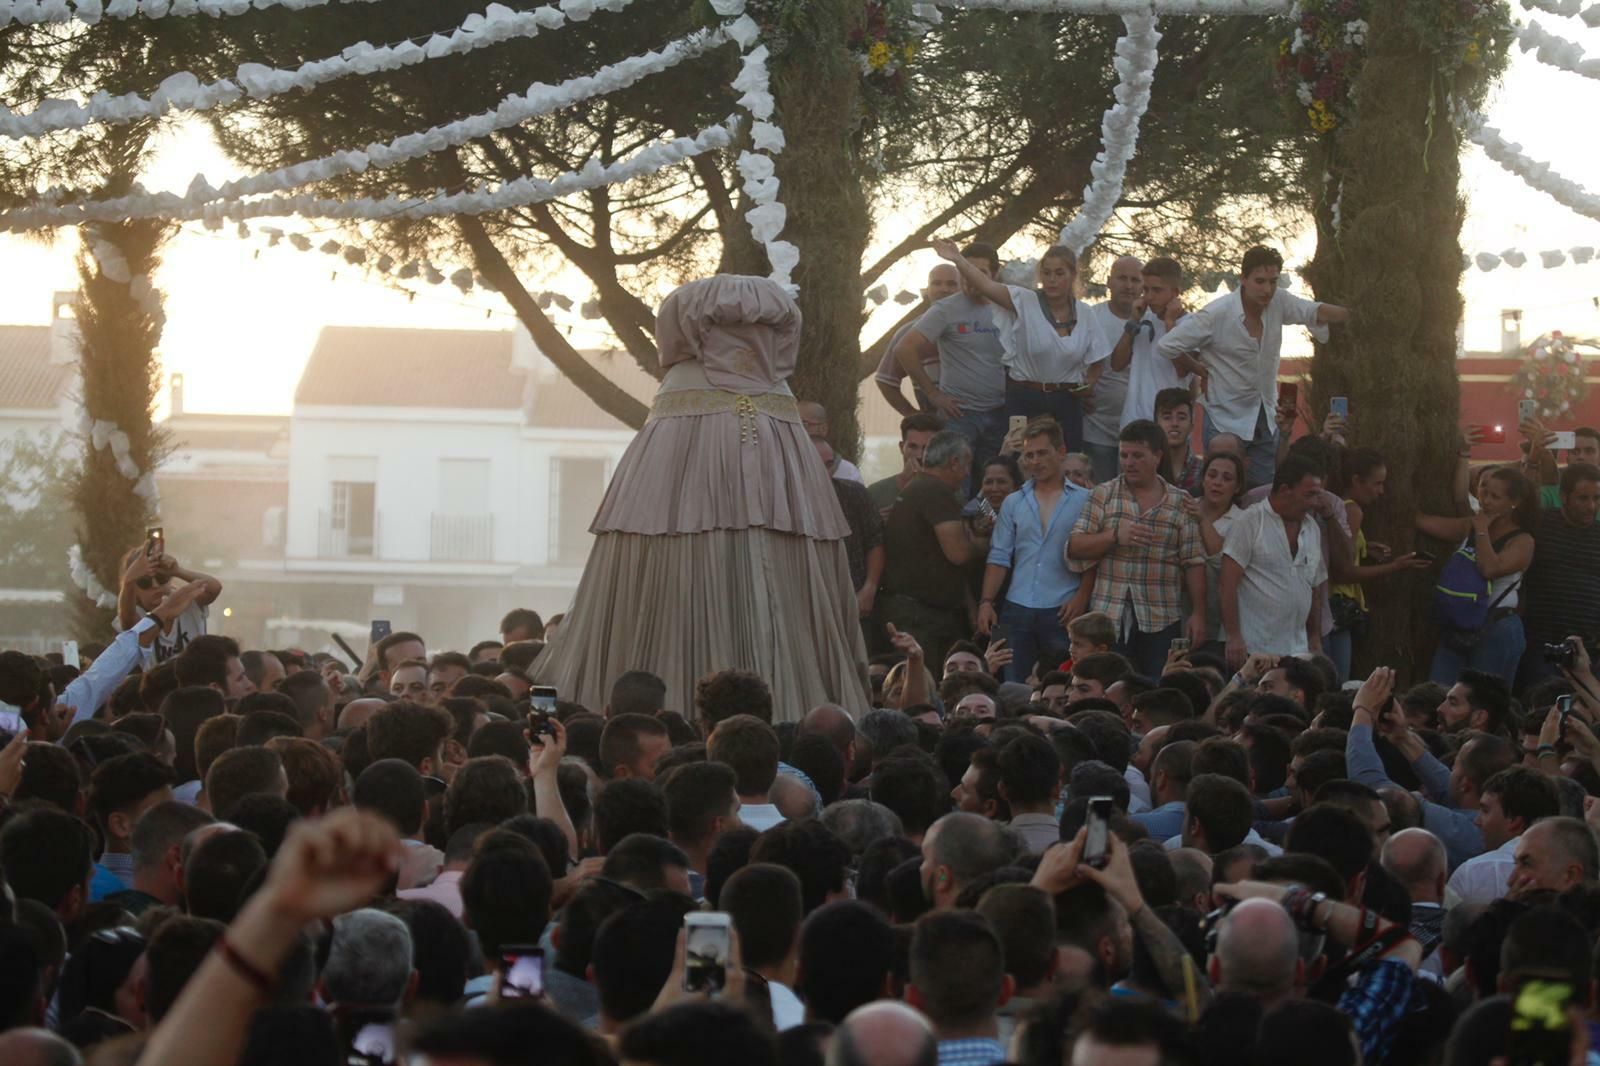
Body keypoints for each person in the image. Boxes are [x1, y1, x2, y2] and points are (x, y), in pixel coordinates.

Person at [532, 276, 871, 723]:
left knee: (668, 563)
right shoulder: (784, 430)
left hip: (694, 432)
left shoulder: (676, 424)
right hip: (769, 429)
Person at [1156, 245, 1352, 487]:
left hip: (1264, 417)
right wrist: (1200, 369)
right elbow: (1167, 346)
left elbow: (1313, 310)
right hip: (1224, 418)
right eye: (1260, 281)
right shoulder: (1217, 313)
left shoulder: (1279, 301)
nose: (1267, 289)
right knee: (1221, 493)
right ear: (1243, 279)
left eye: (1272, 281)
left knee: (1263, 494)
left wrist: (1358, 313)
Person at [1066, 419, 1207, 678]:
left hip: (1161, 615)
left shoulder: (1179, 502)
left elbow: (1193, 561)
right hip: (1108, 617)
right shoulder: (1102, 494)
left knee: (1158, 687)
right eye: (1124, 455)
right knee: (1105, 687)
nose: (1129, 462)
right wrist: (1114, 536)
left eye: (1137, 456)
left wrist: (1198, 613)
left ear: (1157, 456)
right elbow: (1075, 546)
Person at [938, 242, 1106, 457]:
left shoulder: (1085, 313)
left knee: (1069, 459)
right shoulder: (1024, 301)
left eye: (1059, 273)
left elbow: (1099, 358)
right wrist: (957, 259)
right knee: (1019, 459)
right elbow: (985, 285)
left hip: (1066, 398)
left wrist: (1089, 385)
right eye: (1046, 273)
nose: (1052, 279)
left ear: (1072, 275)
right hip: (1026, 396)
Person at [977, 418, 1091, 683]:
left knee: (1063, 684)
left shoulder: (1085, 500)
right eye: (1029, 455)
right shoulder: (1013, 502)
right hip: (1016, 606)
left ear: (1060, 452)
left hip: (1063, 606)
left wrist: (1082, 596)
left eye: (1042, 453)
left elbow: (1094, 555)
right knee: (1011, 683)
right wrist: (986, 602)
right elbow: (999, 556)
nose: (1035, 461)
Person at [895, 242, 1008, 492]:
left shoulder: (1007, 305)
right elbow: (904, 349)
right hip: (960, 416)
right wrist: (933, 394)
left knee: (994, 486)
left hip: (1000, 413)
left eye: (980, 272)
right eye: (966, 270)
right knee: (956, 485)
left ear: (994, 275)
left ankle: (984, 528)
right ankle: (957, 530)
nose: (971, 278)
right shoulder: (945, 309)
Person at [1414, 464, 1538, 685]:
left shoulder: (1522, 540)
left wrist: (1481, 530)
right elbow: (1423, 521)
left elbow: (1489, 568)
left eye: (1495, 497)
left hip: (1496, 626)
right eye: (1485, 493)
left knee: (1483, 699)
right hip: (1460, 624)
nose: (1486, 501)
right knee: (1439, 690)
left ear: (1514, 503)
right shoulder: (1468, 526)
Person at [877, 430, 986, 669]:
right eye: (966, 464)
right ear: (954, 462)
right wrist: (983, 544)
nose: (967, 473)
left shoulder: (918, 486)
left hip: (914, 610)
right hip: (921, 616)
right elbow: (958, 554)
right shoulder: (936, 491)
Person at [1220, 454, 1328, 667]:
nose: (1315, 503)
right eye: (1309, 495)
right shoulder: (1249, 522)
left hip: (1297, 650)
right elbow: (1226, 584)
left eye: (1317, 495)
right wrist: (1233, 636)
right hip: (1253, 648)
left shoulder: (1312, 528)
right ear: (1285, 490)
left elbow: (1314, 586)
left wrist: (1314, 638)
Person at [1520, 461, 1600, 686]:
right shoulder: (1540, 523)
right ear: (1563, 496)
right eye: (1583, 498)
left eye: (1597, 498)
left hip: (1588, 651)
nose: (1591, 506)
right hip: (1540, 645)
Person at [1112, 257, 1194, 428]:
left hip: (1168, 425)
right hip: (1133, 421)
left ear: (1175, 292)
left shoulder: (1191, 325)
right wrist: (1133, 321)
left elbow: (1182, 371)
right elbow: (1117, 364)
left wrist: (1170, 324)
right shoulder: (1143, 318)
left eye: (1157, 290)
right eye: (1146, 290)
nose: (1149, 297)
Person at [116, 542, 224, 665]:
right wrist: (128, 581)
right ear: (134, 589)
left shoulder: (185, 599)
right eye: (144, 581)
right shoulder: (137, 614)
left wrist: (177, 571)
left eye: (161, 577)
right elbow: (127, 619)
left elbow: (214, 588)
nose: (155, 585)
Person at [875, 263, 960, 416]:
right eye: (937, 283)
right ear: (927, 289)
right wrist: (912, 415)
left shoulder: (980, 326)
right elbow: (885, 380)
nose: (944, 289)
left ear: (962, 289)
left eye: (951, 284)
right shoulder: (908, 332)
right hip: (935, 427)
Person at [1191, 451, 1248, 649]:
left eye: (1227, 478)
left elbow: (1221, 560)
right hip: (1181, 611)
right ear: (1203, 479)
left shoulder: (1244, 521)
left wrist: (1202, 520)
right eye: (1212, 475)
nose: (1217, 482)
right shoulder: (1185, 508)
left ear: (1237, 487)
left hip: (1222, 621)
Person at [868, 413, 945, 519]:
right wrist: (876, 523)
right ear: (901, 447)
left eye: (927, 448)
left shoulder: (949, 492)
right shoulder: (875, 492)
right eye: (913, 446)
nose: (920, 455)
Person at [1151, 388, 1203, 496]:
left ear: (1191, 425)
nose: (1174, 423)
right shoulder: (1146, 467)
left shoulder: (1204, 471)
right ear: (1156, 424)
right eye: (1167, 417)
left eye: (1182, 417)